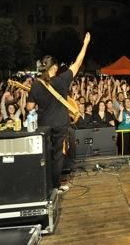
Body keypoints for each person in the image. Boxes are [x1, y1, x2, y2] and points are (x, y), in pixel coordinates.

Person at [27, 32, 91, 193]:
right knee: (57, 156)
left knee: (44, 155)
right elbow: (78, 62)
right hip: (61, 123)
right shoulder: (62, 80)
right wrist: (85, 44)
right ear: (54, 67)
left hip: (43, 124)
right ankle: (55, 186)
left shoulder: (36, 84)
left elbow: (29, 107)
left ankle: (43, 185)